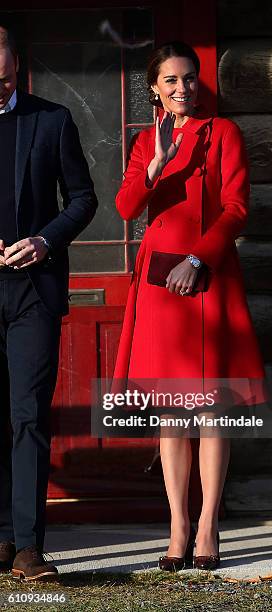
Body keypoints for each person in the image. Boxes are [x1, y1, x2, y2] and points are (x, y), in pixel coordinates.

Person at [113, 41, 265, 570]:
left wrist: (199, 260)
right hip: (158, 284)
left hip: (208, 277)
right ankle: (177, 527)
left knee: (210, 411)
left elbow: (237, 207)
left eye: (189, 79)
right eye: (171, 81)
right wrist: (155, 162)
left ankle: (208, 528)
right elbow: (127, 206)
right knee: (172, 412)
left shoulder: (222, 132)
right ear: (154, 88)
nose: (183, 88)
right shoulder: (143, 142)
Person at [0, 25, 98, 580]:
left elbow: (84, 199)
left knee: (28, 415)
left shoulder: (52, 119)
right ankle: (1, 536)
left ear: (17, 66)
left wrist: (44, 240)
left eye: (3, 78)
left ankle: (29, 546)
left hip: (34, 292)